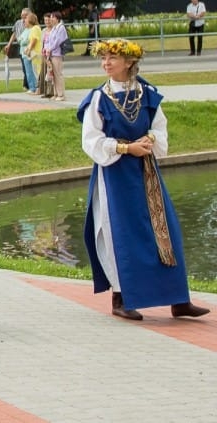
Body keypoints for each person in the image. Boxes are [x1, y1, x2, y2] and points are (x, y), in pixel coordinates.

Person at [77, 38, 209, 322]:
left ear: (129, 62)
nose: (106, 63)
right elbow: (91, 140)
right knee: (120, 234)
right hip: (115, 174)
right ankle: (121, 298)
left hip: (146, 172)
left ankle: (178, 299)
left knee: (165, 230)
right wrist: (126, 148)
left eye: (113, 58)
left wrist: (148, 140)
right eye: (104, 58)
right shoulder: (99, 98)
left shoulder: (145, 93)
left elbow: (159, 128)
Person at [42, 11, 68, 101]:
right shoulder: (54, 28)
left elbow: (58, 41)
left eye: (53, 17)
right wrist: (46, 48)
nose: (51, 19)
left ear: (57, 18)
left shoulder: (61, 28)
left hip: (57, 54)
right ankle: (56, 93)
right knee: (53, 74)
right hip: (51, 54)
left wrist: (50, 49)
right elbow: (49, 40)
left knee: (58, 74)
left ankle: (61, 94)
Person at [5, 8, 31, 91]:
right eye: (22, 15)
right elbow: (14, 34)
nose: (23, 17)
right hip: (21, 47)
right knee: (24, 67)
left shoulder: (31, 24)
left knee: (29, 67)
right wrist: (9, 44)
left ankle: (29, 85)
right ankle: (26, 85)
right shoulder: (18, 23)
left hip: (29, 47)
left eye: (25, 15)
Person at [20, 10, 42, 96]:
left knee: (36, 71)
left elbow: (34, 40)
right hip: (34, 53)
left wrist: (28, 49)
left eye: (26, 19)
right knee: (35, 71)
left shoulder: (35, 28)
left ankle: (37, 88)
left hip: (36, 53)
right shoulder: (33, 29)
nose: (25, 20)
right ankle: (37, 88)